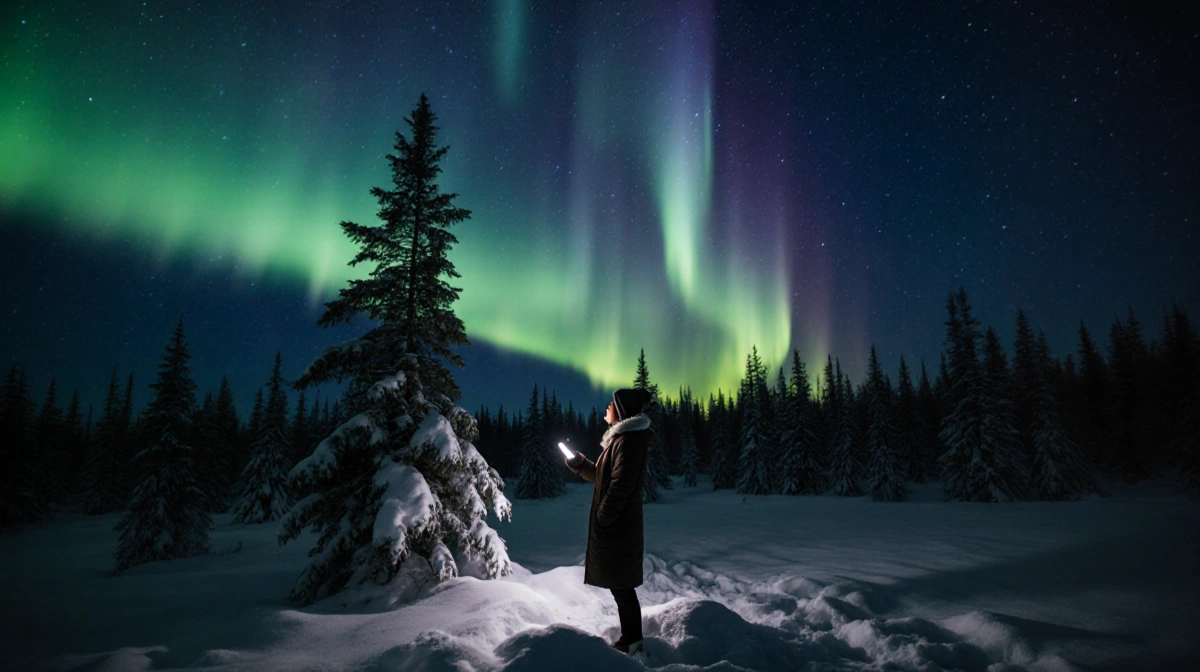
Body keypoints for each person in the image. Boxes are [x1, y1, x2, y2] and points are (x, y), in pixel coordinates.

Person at [565, 387, 654, 655]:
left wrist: (604, 516)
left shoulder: (629, 441)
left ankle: (633, 642)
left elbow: (620, 485)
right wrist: (580, 464)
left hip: (619, 527)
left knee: (623, 587)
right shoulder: (620, 440)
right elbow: (605, 477)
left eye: (610, 404)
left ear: (621, 410)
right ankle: (632, 639)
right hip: (617, 526)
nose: (606, 408)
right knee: (621, 586)